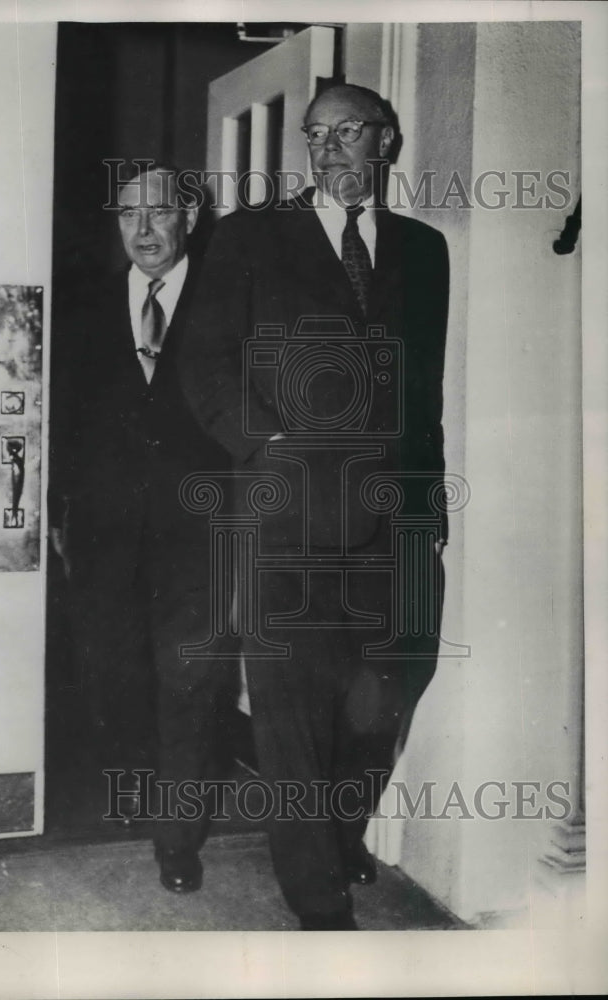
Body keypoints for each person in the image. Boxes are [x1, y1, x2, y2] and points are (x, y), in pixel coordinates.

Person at [180, 84, 449, 929]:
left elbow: (423, 388)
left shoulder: (422, 249)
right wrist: (260, 445)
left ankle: (339, 829)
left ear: (386, 142)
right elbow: (204, 362)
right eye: (314, 135)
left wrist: (428, 503)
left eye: (346, 133)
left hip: (392, 518)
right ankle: (314, 893)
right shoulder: (252, 238)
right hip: (284, 514)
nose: (328, 149)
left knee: (388, 687)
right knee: (291, 707)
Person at [49, 163, 232, 894]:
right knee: (113, 671)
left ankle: (177, 842)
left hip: (201, 528)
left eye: (159, 212)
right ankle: (137, 790)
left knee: (189, 680)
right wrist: (61, 509)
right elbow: (61, 412)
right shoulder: (85, 301)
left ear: (188, 214)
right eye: (129, 214)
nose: (144, 230)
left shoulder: (228, 294)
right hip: (103, 530)